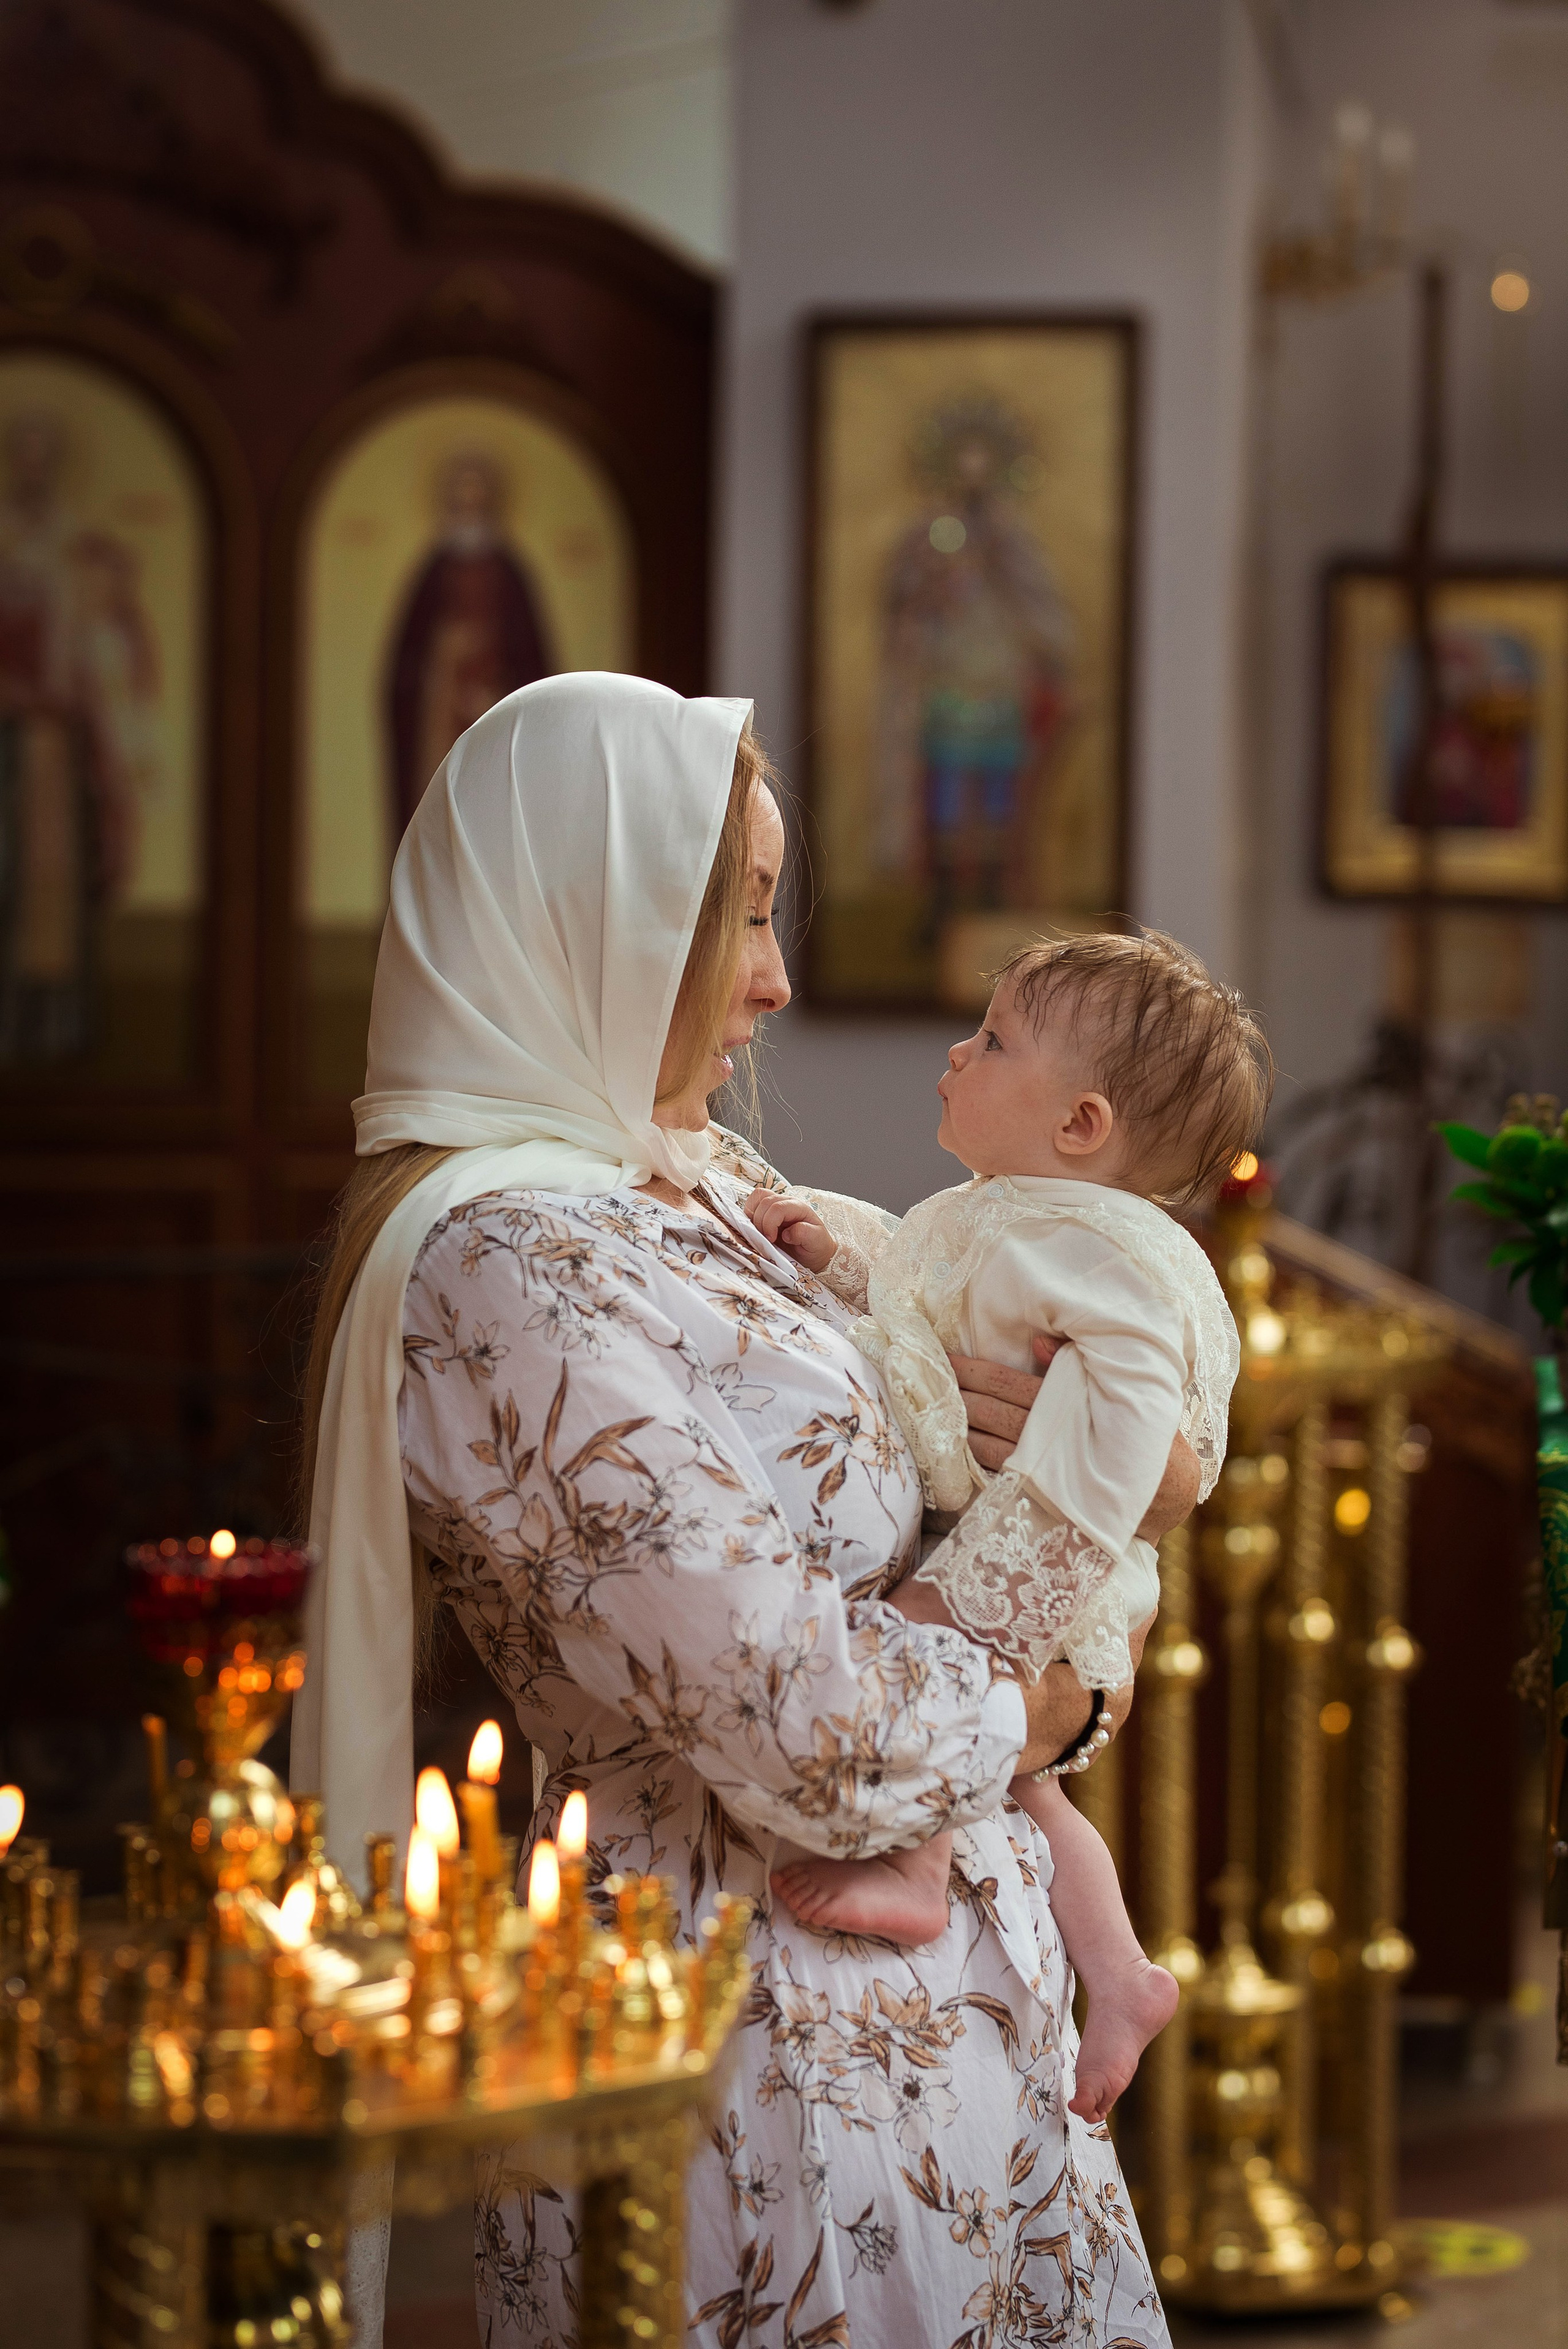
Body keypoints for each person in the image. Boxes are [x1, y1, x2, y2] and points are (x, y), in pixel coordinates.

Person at [292, 672, 1193, 2348]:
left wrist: (1078, 1490)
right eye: (747, 915)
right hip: (752, 2047)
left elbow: (1003, 1467)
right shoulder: (507, 1265)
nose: (777, 981)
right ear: (596, 918)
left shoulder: (696, 1181)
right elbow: (813, 1737)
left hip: (960, 2023)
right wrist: (1056, 1697)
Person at [748, 930, 1270, 2122]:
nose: (956, 1052)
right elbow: (930, 1315)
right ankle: (1120, 1974)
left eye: (992, 1042)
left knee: (946, 1694)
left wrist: (983, 1599)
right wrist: (836, 1259)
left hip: (1044, 1565)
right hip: (1034, 1557)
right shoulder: (1027, 1215)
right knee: (1031, 1792)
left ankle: (911, 1864)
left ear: (1080, 1124)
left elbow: (1127, 1423)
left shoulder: (1091, 1246)